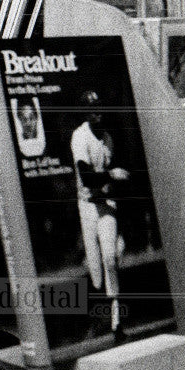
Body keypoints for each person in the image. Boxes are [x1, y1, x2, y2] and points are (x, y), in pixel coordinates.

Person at [70, 90, 129, 341]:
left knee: (110, 258)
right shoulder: (79, 136)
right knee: (94, 269)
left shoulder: (106, 137)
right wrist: (111, 175)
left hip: (105, 203)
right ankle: (95, 317)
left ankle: (116, 322)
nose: (98, 111)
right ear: (85, 112)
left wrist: (114, 182)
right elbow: (86, 176)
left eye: (99, 106)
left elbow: (111, 176)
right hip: (87, 204)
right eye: (92, 108)